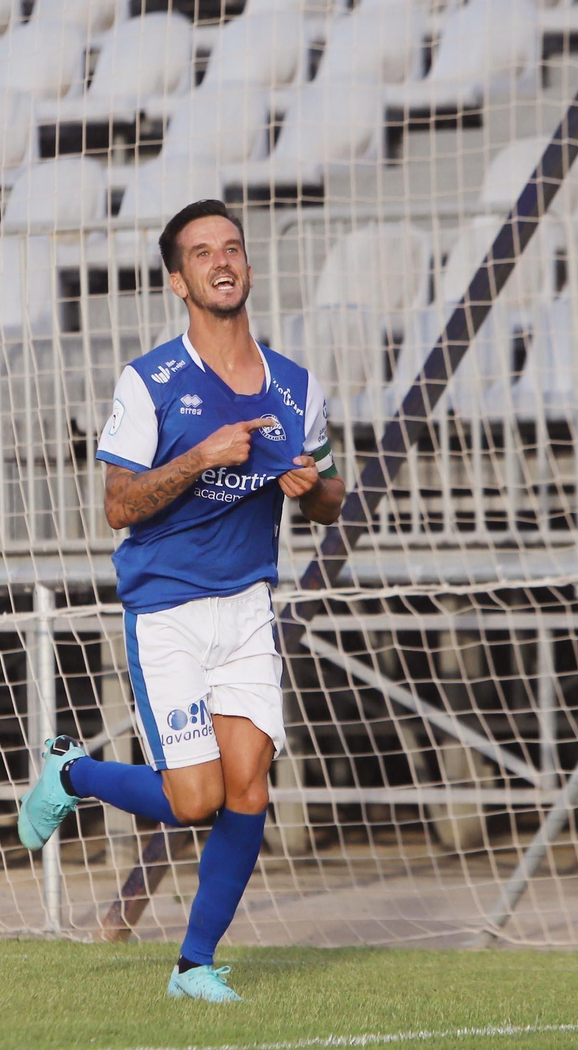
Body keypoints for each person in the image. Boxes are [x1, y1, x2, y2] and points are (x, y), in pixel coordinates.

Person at [17, 200, 346, 1003]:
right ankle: (74, 773)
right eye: (202, 253)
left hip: (246, 609)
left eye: (231, 248)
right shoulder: (152, 381)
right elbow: (119, 506)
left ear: (248, 266)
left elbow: (333, 500)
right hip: (165, 608)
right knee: (194, 800)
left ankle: (193, 965)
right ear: (179, 281)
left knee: (251, 790)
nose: (221, 261)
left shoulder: (297, 386)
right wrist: (200, 457)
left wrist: (311, 492)